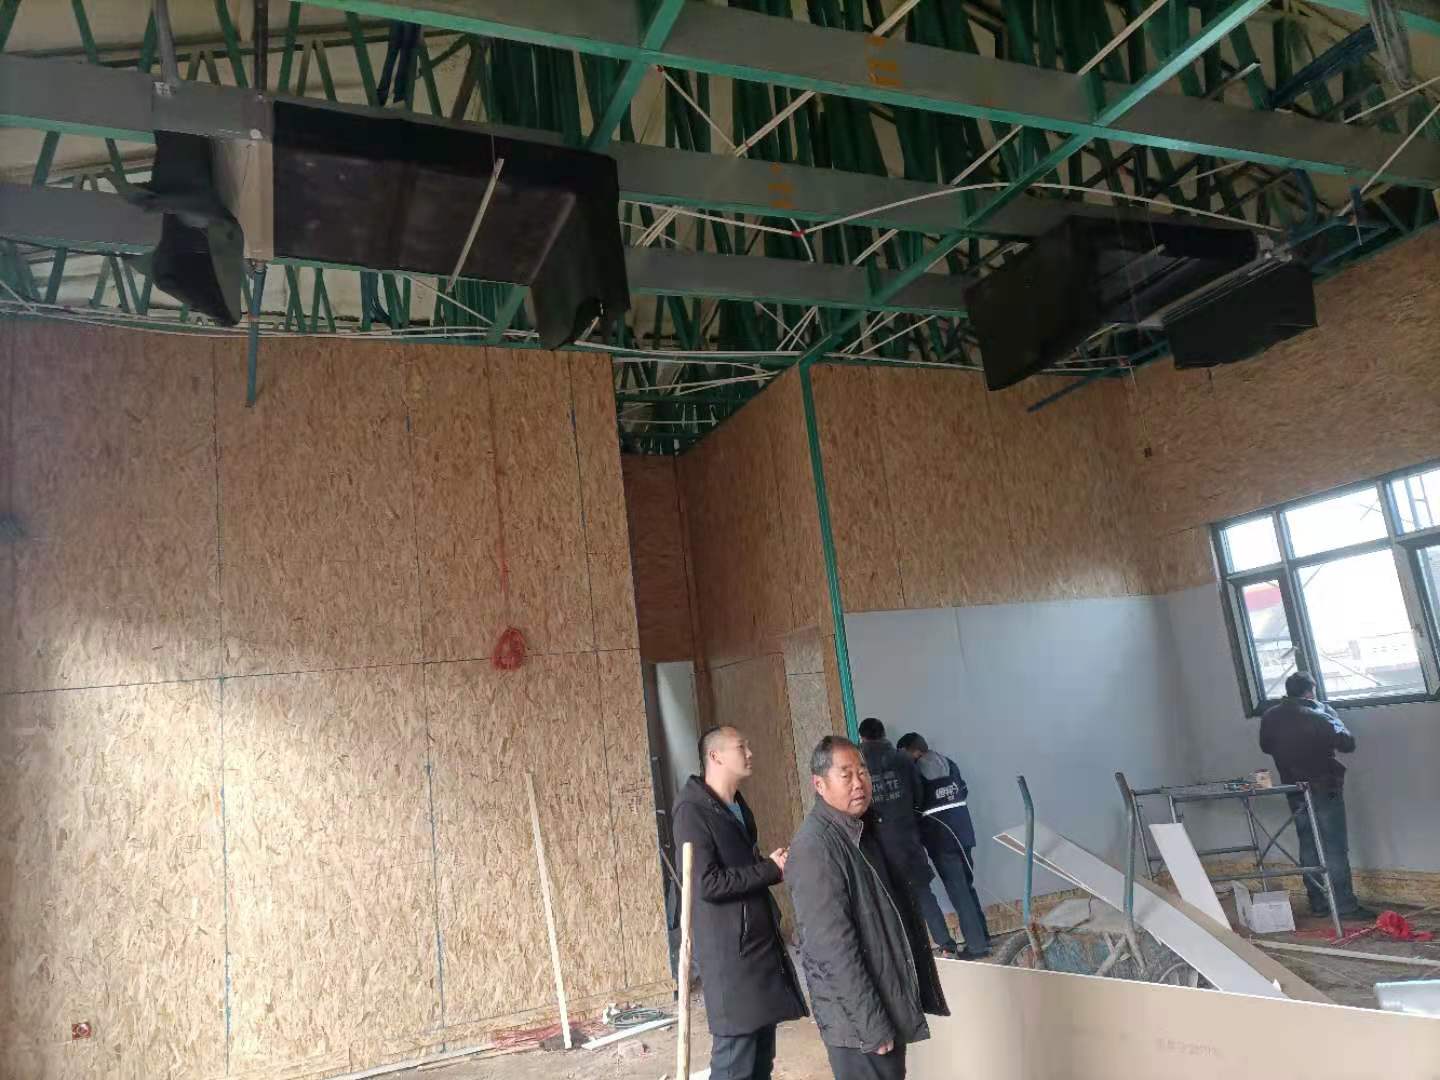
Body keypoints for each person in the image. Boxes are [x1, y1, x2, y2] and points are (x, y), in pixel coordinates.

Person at [788, 735, 949, 1080]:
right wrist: (871, 1025)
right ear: (819, 784)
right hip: (859, 1026)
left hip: (883, 1003)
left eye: (862, 772)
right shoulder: (816, 848)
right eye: (845, 775)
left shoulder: (863, 829)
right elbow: (832, 951)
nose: (859, 783)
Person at [672, 726, 807, 1080]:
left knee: (761, 1056)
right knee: (736, 1058)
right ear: (715, 756)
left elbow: (738, 866)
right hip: (730, 953)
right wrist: (768, 870)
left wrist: (769, 865)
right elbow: (706, 883)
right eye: (740, 746)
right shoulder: (692, 810)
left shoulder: (735, 805)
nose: (750, 753)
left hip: (756, 944)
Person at [1259, 672, 1374, 920]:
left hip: (1294, 788)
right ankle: (1344, 905)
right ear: (1310, 691)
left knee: (1308, 844)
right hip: (1325, 786)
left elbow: (1266, 746)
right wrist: (1332, 715)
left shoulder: (1270, 716)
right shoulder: (1319, 714)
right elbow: (1347, 743)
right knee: (1334, 846)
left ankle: (1318, 902)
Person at [855, 718, 964, 959]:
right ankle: (946, 945)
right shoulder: (902, 759)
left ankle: (906, 954)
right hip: (908, 839)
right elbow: (919, 794)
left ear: (861, 737)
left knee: (887, 901)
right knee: (924, 895)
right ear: (883, 734)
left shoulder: (857, 763)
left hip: (877, 844)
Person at [895, 732, 990, 958]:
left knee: (959, 893)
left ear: (911, 751)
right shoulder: (948, 763)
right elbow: (963, 789)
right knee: (967, 888)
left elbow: (914, 804)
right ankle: (983, 937)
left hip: (941, 840)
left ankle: (977, 947)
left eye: (902, 754)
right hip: (964, 833)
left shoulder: (915, 770)